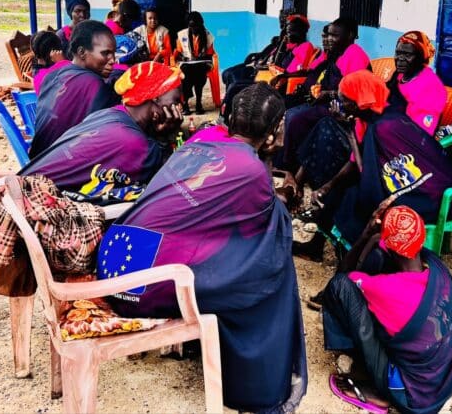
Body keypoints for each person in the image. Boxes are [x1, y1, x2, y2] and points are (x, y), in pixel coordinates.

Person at [97, 83, 307, 412]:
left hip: (115, 260)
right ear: (278, 128)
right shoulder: (250, 169)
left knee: (221, 246)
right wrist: (285, 187)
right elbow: (267, 213)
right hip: (139, 289)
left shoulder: (203, 139)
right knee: (268, 268)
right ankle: (261, 387)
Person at [295, 70, 452, 259]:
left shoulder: (386, 126)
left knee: (355, 199)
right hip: (401, 182)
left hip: (428, 195)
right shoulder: (367, 120)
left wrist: (348, 134)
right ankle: (319, 248)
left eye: (344, 100)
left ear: (359, 102)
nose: (340, 105)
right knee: (340, 189)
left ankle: (359, 257)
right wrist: (327, 186)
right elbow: (356, 163)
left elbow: (366, 172)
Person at [323, 205, 452, 414]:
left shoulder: (387, 290)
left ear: (389, 244)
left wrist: (365, 235)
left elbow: (344, 277)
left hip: (411, 396)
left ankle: (379, 392)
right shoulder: (438, 268)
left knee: (339, 288)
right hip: (441, 382)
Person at [22, 61, 183, 193]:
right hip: (35, 206)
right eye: (175, 100)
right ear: (156, 98)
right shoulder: (133, 143)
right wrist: (166, 137)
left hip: (25, 188)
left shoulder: (113, 113)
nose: (180, 107)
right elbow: (167, 185)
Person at [277, 17, 370, 172]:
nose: (330, 39)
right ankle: (284, 158)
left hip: (343, 107)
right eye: (329, 35)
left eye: (335, 35)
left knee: (295, 118)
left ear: (350, 35)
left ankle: (290, 165)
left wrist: (329, 94)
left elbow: (355, 93)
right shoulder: (339, 53)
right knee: (289, 109)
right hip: (325, 100)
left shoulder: (356, 55)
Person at [30, 20, 119, 157]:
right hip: (60, 169)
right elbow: (101, 137)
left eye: (113, 53)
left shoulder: (53, 75)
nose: (112, 60)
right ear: (82, 52)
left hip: (37, 160)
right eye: (105, 53)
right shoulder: (94, 85)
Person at [222, 14, 315, 120]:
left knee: (235, 87)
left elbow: (301, 71)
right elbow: (279, 62)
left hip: (278, 85)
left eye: (290, 31)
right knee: (235, 84)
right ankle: (228, 117)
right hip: (272, 79)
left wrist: (283, 75)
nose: (287, 35)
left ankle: (225, 119)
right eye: (287, 31)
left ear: (301, 32)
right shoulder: (292, 47)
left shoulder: (306, 47)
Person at [387, 31, 446, 136]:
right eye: (398, 53)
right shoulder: (400, 75)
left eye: (407, 54)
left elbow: (420, 131)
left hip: (408, 139)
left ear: (420, 58)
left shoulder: (431, 86)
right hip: (390, 126)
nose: (400, 59)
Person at [174, 11, 216, 115]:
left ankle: (198, 103)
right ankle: (186, 104)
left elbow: (210, 55)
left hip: (201, 65)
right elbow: (178, 53)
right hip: (187, 64)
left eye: (196, 26)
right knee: (186, 74)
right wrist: (183, 57)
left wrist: (203, 56)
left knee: (199, 74)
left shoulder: (207, 36)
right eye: (191, 26)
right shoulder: (182, 35)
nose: (194, 29)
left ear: (201, 24)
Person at [30, 30, 70, 95]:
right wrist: (62, 63)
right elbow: (73, 84)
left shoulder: (37, 72)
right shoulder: (45, 76)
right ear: (54, 52)